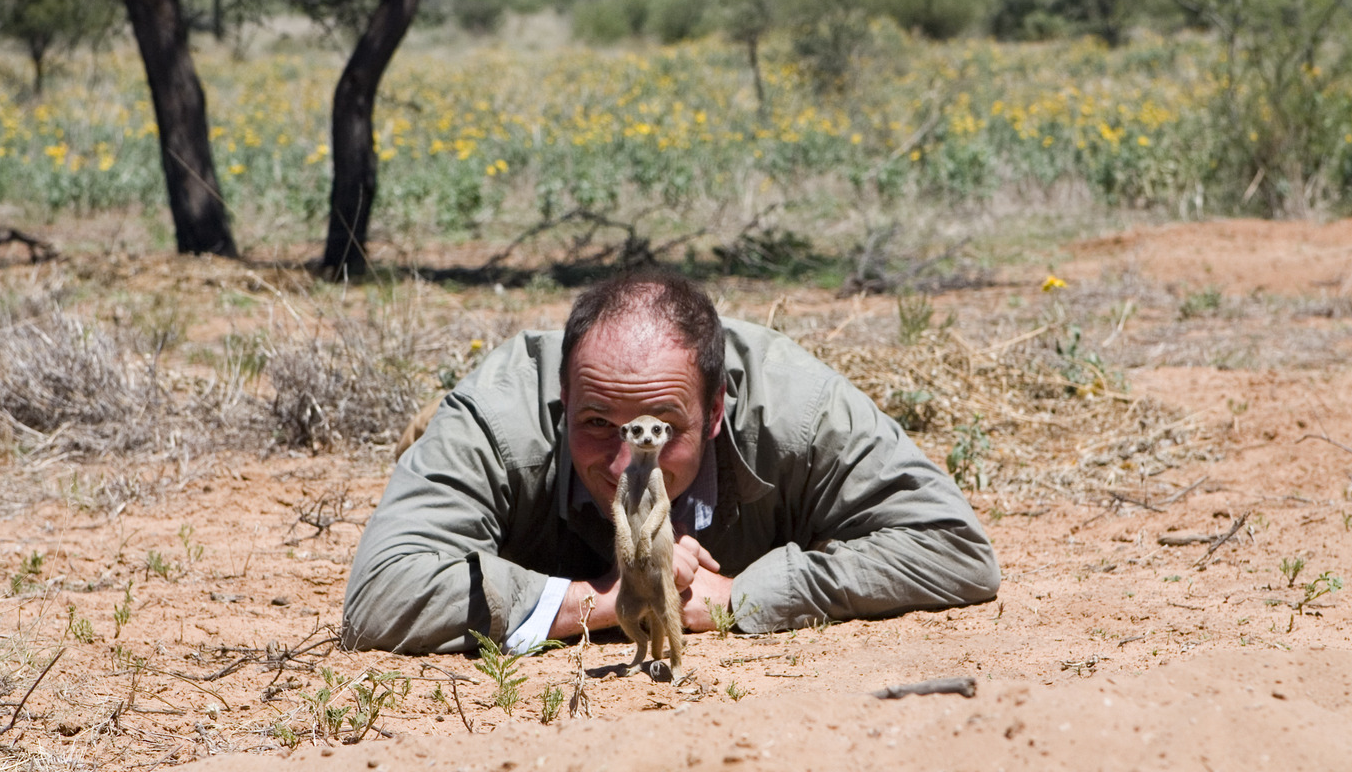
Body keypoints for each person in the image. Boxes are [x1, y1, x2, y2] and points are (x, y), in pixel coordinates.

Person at [342, 268, 1000, 655]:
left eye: (662, 429)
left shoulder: (797, 407)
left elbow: (951, 547)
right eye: (597, 423)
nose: (629, 461)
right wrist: (599, 601)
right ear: (563, 397)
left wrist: (744, 595)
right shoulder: (500, 415)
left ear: (717, 411)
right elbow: (380, 596)